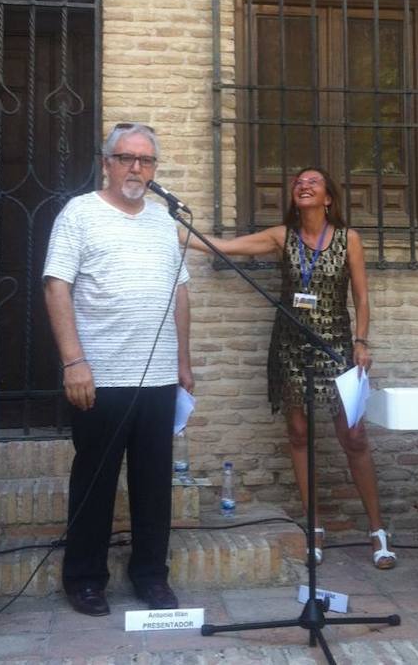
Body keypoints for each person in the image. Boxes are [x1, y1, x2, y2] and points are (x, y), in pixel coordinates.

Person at [184, 166, 395, 568]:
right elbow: (228, 247)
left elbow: (362, 298)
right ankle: (313, 525)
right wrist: (179, 233)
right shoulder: (283, 236)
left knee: (353, 436)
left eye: (314, 181)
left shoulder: (348, 239)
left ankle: (377, 529)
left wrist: (361, 342)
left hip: (335, 345)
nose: (304, 185)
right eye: (299, 182)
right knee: (298, 432)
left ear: (328, 197)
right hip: (291, 344)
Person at [43, 123, 193, 617]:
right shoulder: (79, 214)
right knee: (95, 480)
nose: (136, 169)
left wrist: (183, 362)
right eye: (126, 158)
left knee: (154, 484)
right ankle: (85, 578)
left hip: (156, 381)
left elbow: (180, 292)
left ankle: (151, 575)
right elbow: (56, 286)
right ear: (106, 162)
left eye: (146, 161)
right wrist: (73, 361)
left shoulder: (162, 221)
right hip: (99, 376)